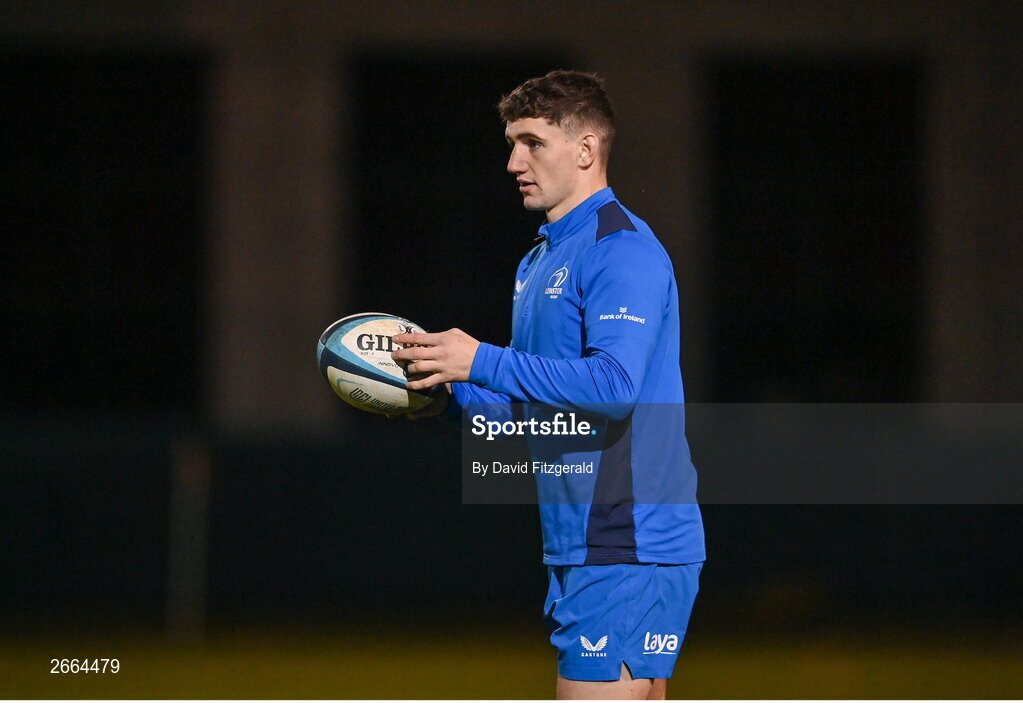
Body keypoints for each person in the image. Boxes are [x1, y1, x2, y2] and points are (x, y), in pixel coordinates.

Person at [392, 70, 705, 700]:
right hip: (588, 542)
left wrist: (478, 358)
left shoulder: (621, 249)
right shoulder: (540, 260)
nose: (513, 161)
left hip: (625, 539)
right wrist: (448, 395)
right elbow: (538, 413)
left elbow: (614, 386)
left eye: (532, 142)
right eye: (511, 143)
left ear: (586, 150)